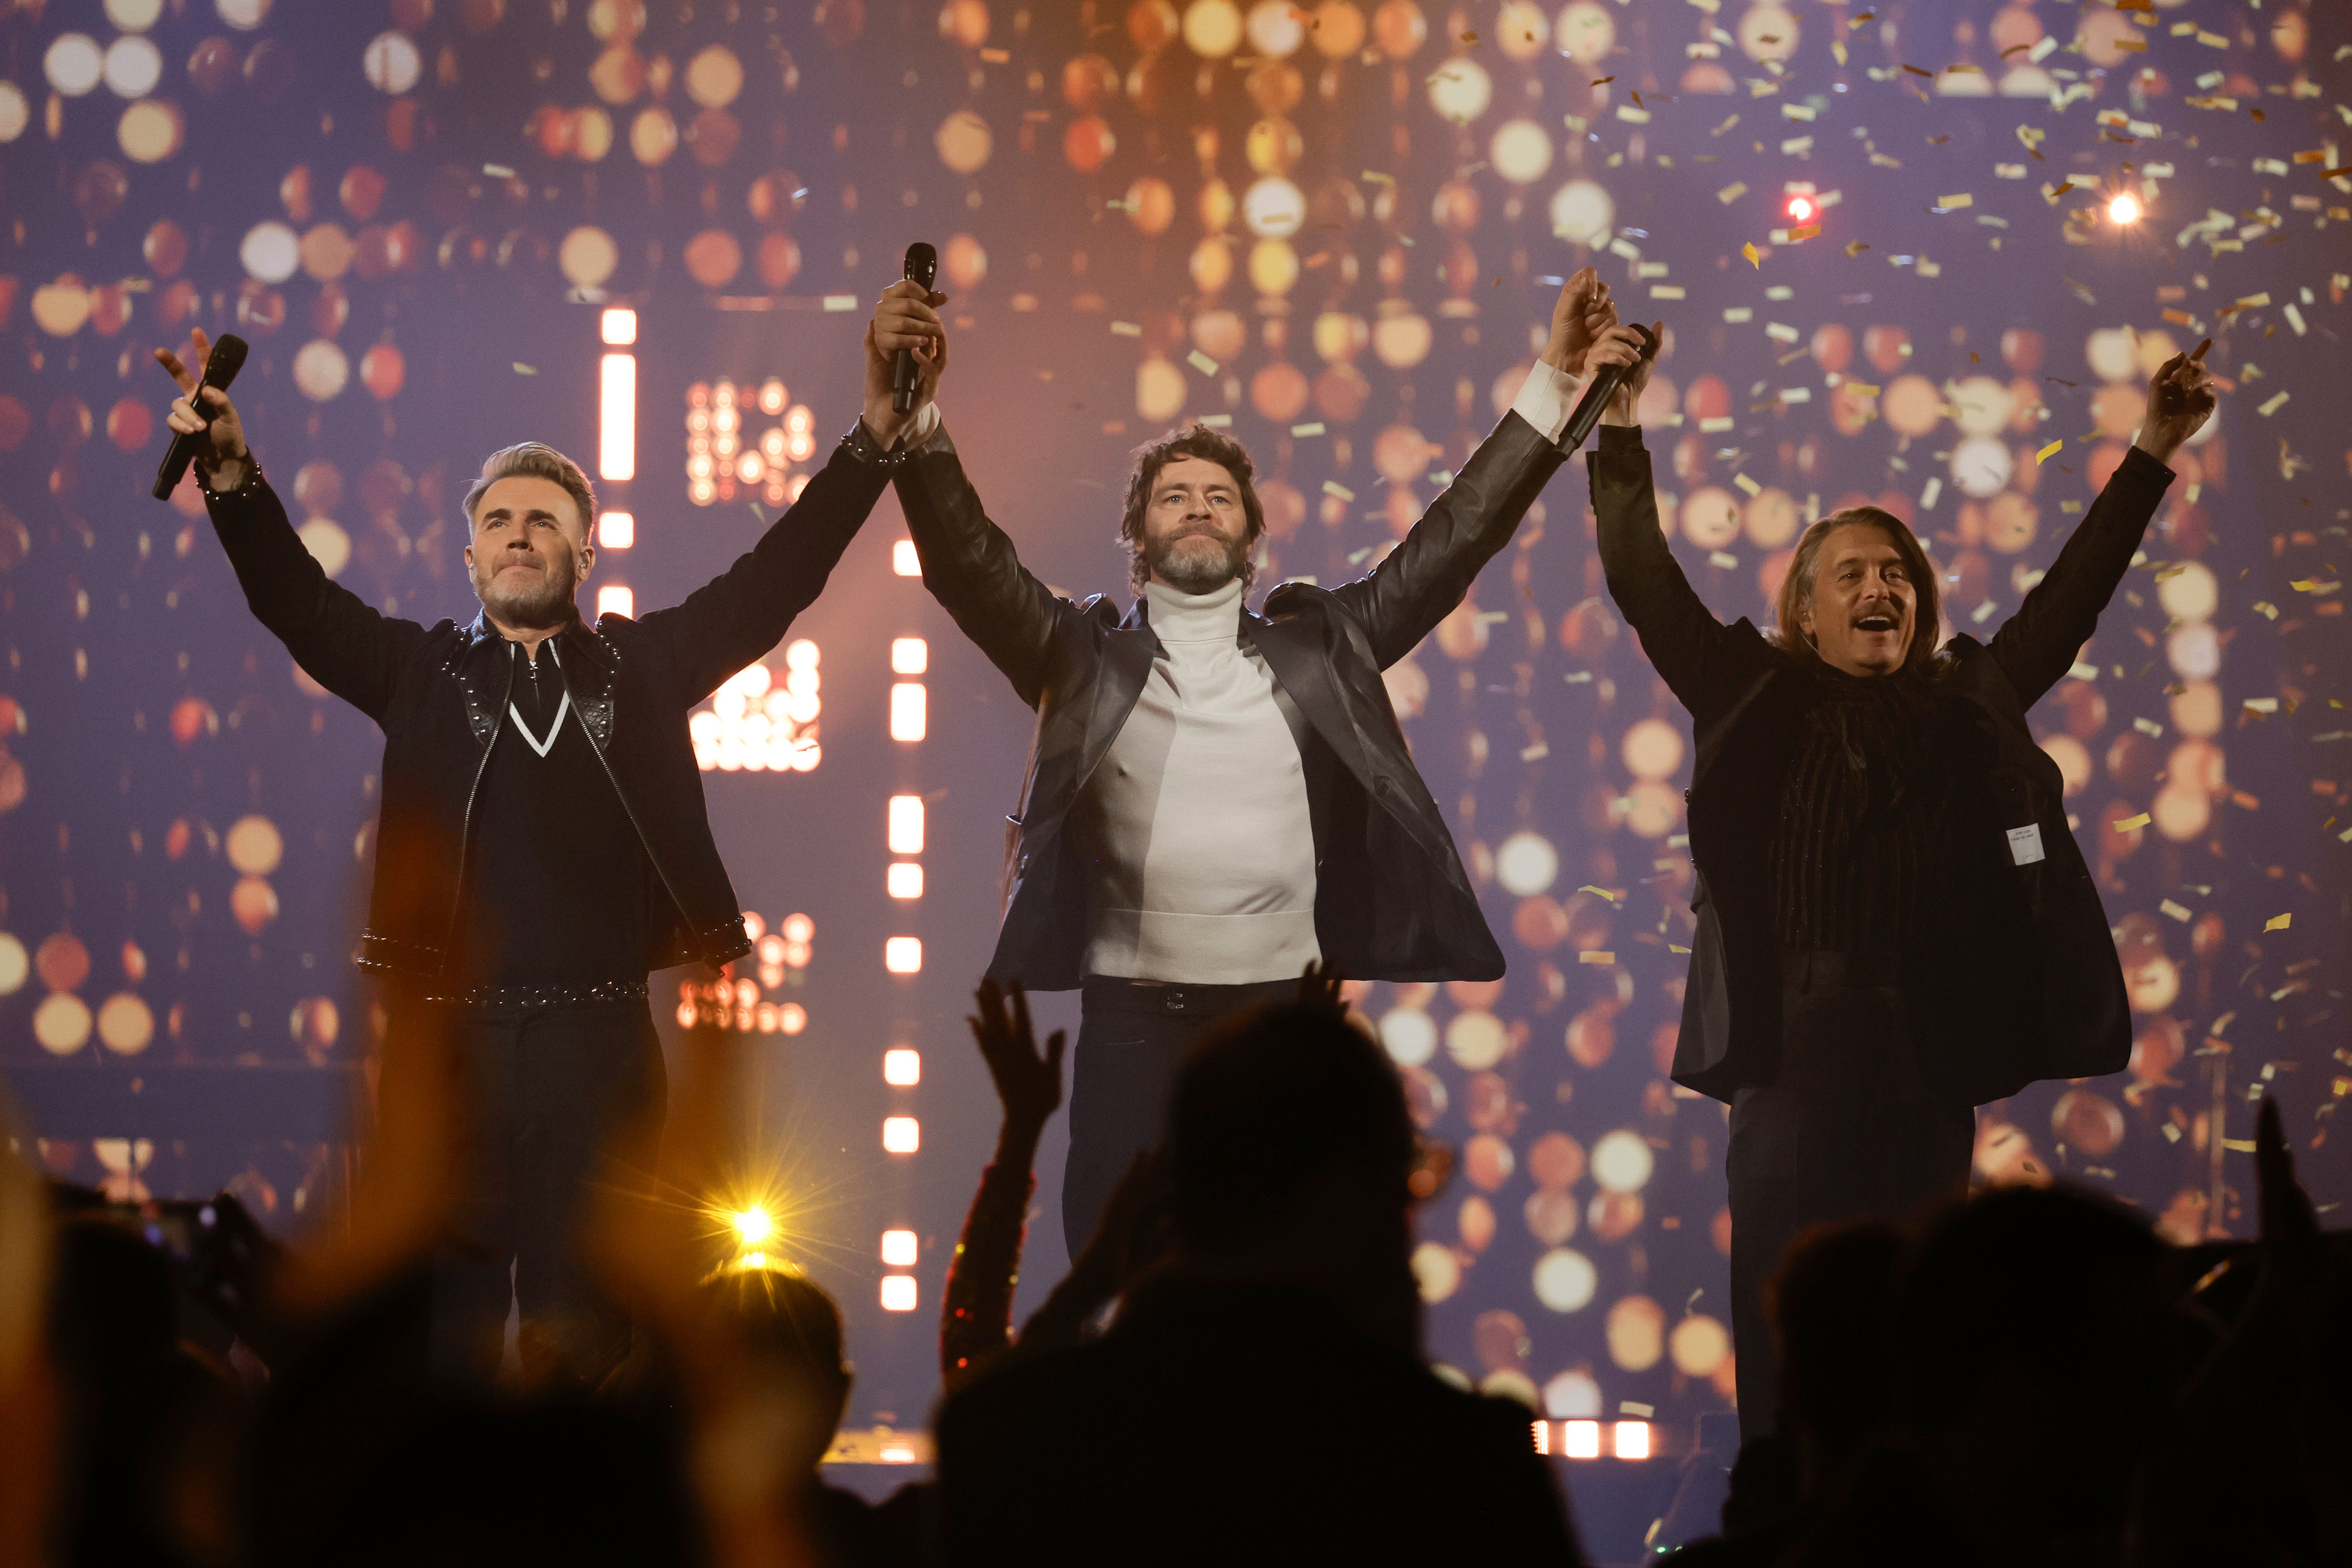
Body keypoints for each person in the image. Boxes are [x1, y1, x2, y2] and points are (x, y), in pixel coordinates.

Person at [152, 326, 901, 1386]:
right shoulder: (416, 673)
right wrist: (233, 476)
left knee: (588, 1338)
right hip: (452, 1053)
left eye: (543, 520)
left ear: (584, 553)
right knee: (443, 1346)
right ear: (468, 556)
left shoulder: (642, 670)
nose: (518, 534)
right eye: (497, 520)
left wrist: (874, 437)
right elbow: (297, 601)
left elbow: (779, 575)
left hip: (601, 1049)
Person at [863, 269, 1622, 1249]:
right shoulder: (1077, 654)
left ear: (1253, 539)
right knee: (1124, 1266)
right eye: (1173, 496)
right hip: (1133, 1020)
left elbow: (1452, 540)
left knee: (1284, 1274)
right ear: (1138, 536)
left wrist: (1556, 380)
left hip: (1279, 1020)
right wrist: (914, 408)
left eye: (1219, 496)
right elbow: (965, 558)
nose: (1196, 507)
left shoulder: (1324, 646)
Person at [1582, 313, 2220, 1441]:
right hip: (1789, 1051)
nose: (1880, 589)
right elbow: (1643, 578)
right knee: (1789, 1314)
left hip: (1925, 1048)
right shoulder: (1747, 690)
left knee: (1922, 1313)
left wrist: (2154, 447)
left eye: (1897, 574)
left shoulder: (1962, 702)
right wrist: (1618, 423)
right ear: (1806, 611)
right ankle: (1783, 1495)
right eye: (1851, 575)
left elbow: (2070, 601)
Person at [933, 998, 1584, 1566]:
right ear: (1343, 1196)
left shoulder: (1019, 1433)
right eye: (1404, 1178)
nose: (1410, 1221)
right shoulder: (1462, 1464)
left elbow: (983, 1380)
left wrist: (1087, 1272)